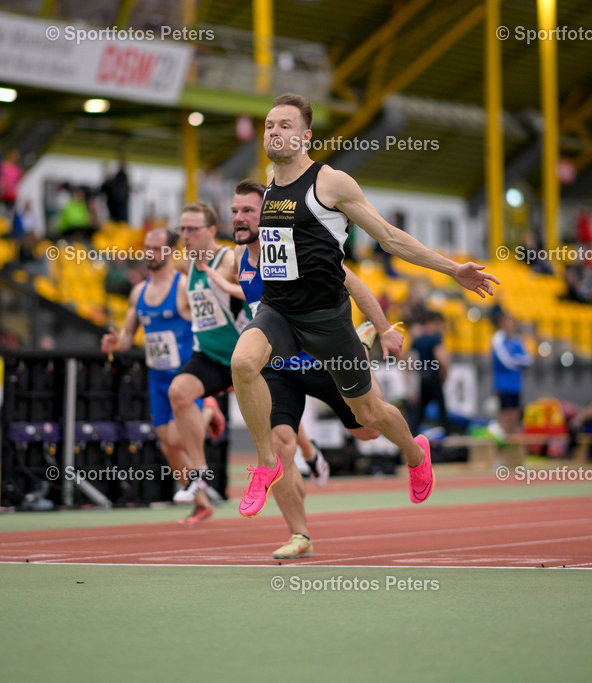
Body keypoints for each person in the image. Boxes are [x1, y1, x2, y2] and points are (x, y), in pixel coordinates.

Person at [230, 93, 498, 517]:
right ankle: (266, 466)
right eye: (268, 125)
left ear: (305, 136)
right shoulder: (269, 181)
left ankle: (415, 453)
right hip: (278, 309)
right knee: (243, 363)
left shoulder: (331, 182)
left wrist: (452, 270)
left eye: (284, 126)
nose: (274, 132)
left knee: (369, 413)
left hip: (327, 318)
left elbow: (389, 238)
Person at [207, 178, 402, 558]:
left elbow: (354, 283)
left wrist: (383, 328)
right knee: (280, 445)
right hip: (281, 367)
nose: (239, 218)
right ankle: (300, 534)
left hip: (323, 358)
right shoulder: (236, 257)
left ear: (270, 214)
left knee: (367, 431)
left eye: (248, 210)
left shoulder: (295, 249)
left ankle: (358, 344)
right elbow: (244, 291)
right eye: (234, 211)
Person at [101, 227, 225, 525]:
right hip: (157, 380)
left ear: (171, 252)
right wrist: (115, 341)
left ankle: (208, 411)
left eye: (156, 249)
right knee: (168, 444)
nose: (149, 254)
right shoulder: (138, 292)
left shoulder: (183, 287)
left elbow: (209, 323)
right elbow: (129, 338)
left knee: (178, 440)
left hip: (186, 379)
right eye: (146, 248)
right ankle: (202, 504)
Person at [166, 202, 246, 520]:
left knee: (279, 429)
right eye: (181, 229)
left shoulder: (229, 259)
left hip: (246, 356)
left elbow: (259, 291)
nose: (185, 236)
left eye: (192, 229)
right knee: (179, 392)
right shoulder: (188, 266)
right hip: (210, 357)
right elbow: (191, 309)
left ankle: (309, 456)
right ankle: (199, 471)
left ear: (211, 231)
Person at [408, 311, 451, 432]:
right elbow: (442, 358)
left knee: (420, 410)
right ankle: (447, 433)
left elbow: (408, 359)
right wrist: (445, 372)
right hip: (434, 377)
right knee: (441, 407)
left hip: (423, 377)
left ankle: (413, 433)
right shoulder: (435, 339)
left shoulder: (418, 340)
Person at [491, 312, 532, 436]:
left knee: (515, 414)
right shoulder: (498, 340)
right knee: (505, 414)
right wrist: (518, 360)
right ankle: (501, 447)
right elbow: (506, 361)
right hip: (503, 384)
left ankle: (510, 446)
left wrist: (516, 360)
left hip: (516, 385)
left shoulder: (518, 340)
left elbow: (528, 359)